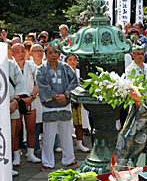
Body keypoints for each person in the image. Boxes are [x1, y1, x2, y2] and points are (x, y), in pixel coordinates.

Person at [36, 42, 80, 171]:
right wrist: (55, 96)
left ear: (59, 53)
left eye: (55, 52)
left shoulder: (66, 67)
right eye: (50, 52)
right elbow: (42, 85)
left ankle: (69, 159)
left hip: (64, 103)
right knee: (49, 136)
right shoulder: (41, 69)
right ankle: (47, 162)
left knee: (66, 134)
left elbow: (74, 82)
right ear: (46, 54)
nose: (53, 55)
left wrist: (66, 95)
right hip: (49, 105)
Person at [12, 43, 41, 164]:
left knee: (31, 128)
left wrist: (32, 97)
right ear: (13, 54)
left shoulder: (31, 66)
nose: (20, 53)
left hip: (30, 99)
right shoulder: (10, 66)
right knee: (16, 130)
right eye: (17, 51)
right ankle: (16, 155)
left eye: (22, 50)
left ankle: (31, 153)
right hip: (16, 101)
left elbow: (37, 83)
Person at [65, 54, 91, 152]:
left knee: (79, 122)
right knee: (66, 124)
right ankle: (67, 146)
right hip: (67, 100)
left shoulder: (80, 72)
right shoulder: (63, 72)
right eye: (70, 60)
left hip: (78, 101)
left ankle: (80, 143)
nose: (72, 62)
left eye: (74, 60)